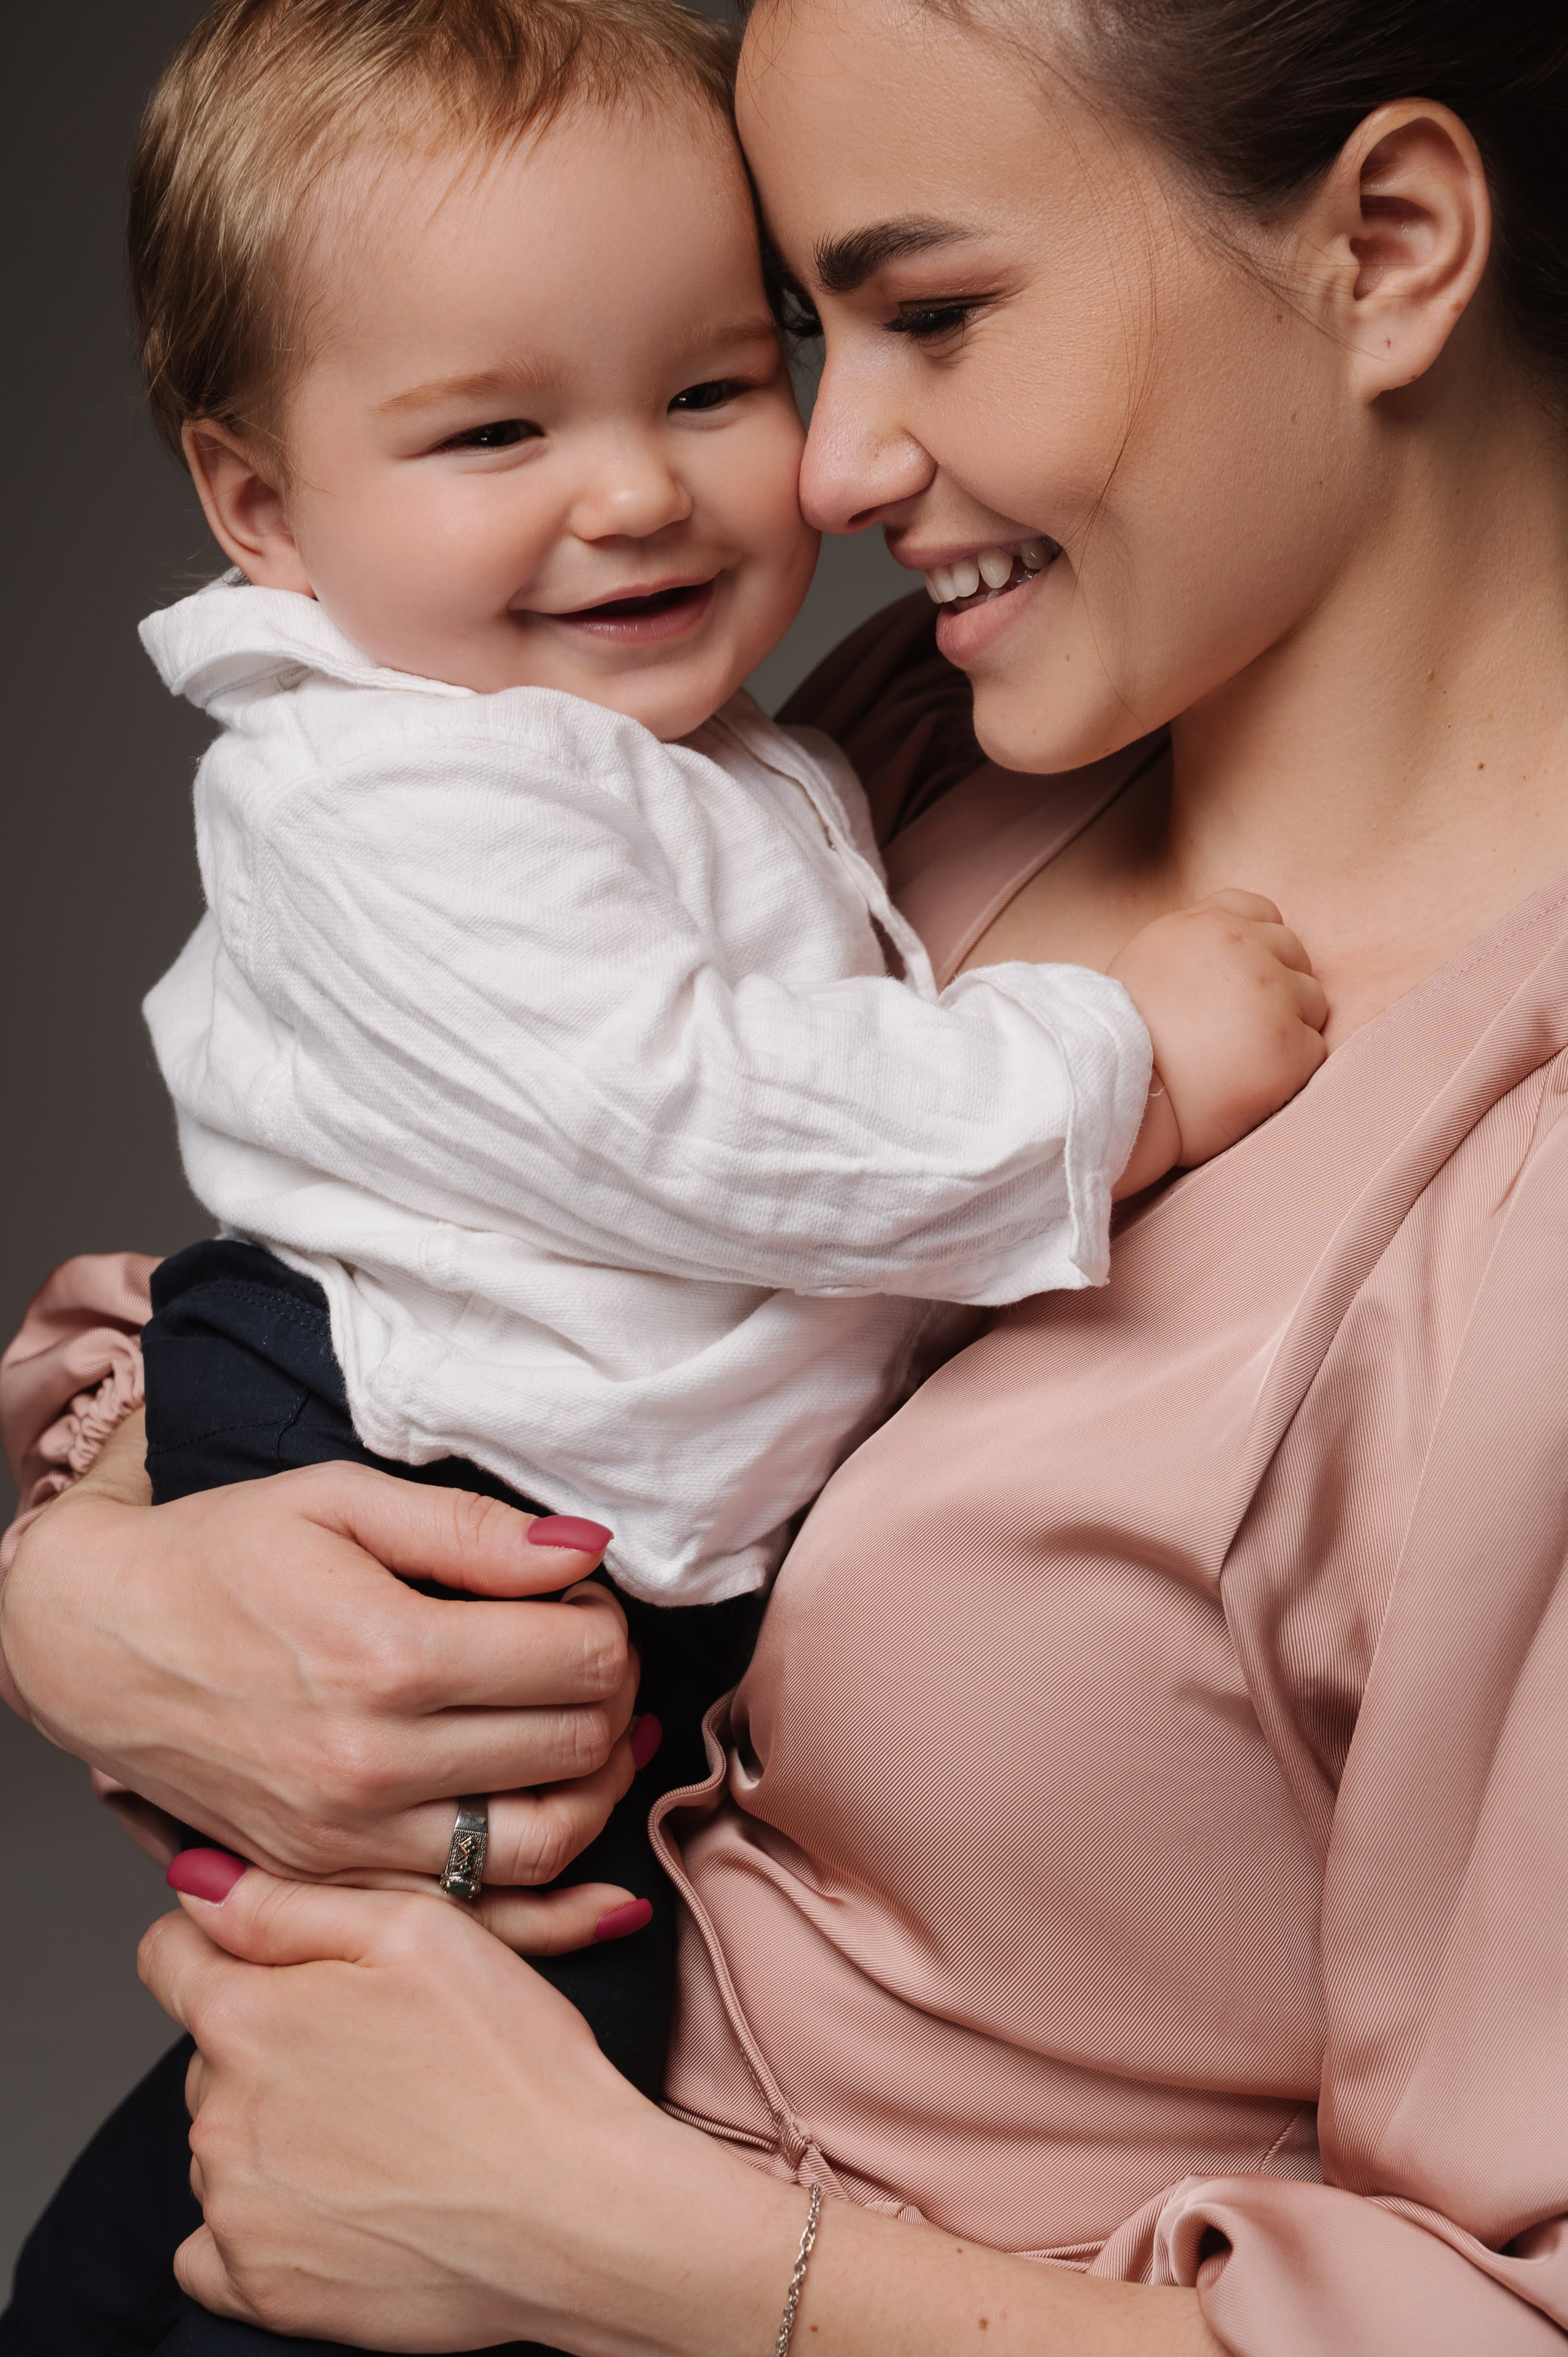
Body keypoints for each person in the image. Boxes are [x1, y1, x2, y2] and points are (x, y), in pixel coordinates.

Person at [7, 0, 1568, 2348]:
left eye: (932, 313)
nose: (825, 467)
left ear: (1389, 247)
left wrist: (611, 2242)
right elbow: (428, 1256)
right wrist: (91, 1588)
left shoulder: (1519, 1198)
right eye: (810, 335)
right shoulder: (920, 742)